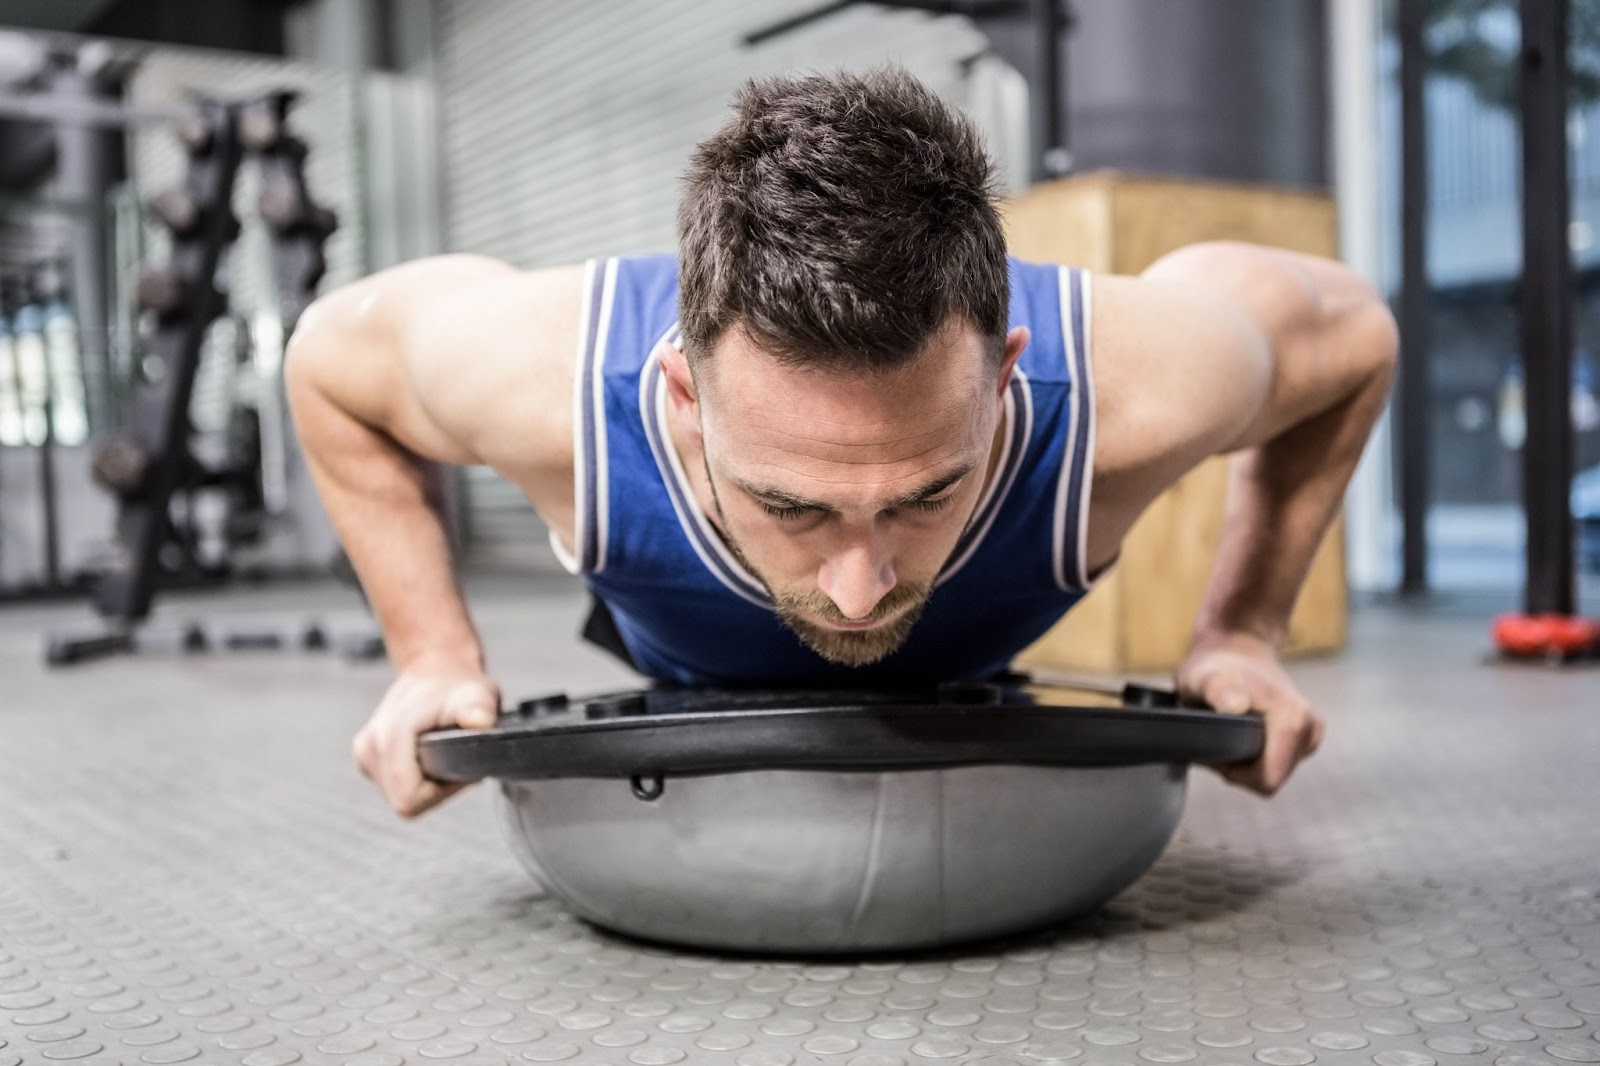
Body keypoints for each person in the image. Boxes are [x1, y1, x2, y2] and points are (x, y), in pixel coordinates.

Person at [286, 68, 1397, 819]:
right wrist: (431, 653)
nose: (861, 590)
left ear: (1007, 373)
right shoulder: (540, 379)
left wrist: (1242, 631)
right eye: (792, 506)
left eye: (924, 496)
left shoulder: (1136, 382)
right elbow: (326, 361)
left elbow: (1351, 337)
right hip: (677, 675)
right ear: (680, 397)